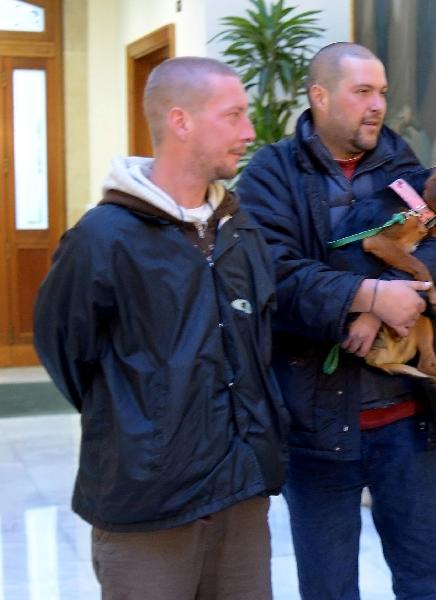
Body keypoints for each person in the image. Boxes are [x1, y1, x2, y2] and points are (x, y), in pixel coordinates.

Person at [33, 56, 287, 599]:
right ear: (181, 121)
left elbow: (258, 344)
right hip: (149, 506)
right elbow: (66, 355)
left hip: (241, 495)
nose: (249, 132)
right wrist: (145, 426)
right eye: (234, 115)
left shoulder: (242, 234)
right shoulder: (101, 240)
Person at [236, 42, 436, 599]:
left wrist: (390, 306)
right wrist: (363, 297)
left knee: (430, 579)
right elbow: (272, 275)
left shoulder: (406, 165)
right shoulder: (271, 174)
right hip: (317, 425)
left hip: (409, 419)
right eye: (362, 92)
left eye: (382, 92)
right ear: (320, 96)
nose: (377, 105)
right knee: (330, 586)